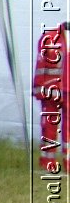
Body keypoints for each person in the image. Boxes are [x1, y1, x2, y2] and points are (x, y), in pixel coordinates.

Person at [34, 23, 68, 173]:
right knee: (49, 128)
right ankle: (48, 161)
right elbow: (40, 66)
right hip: (51, 92)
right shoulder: (50, 38)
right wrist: (39, 89)